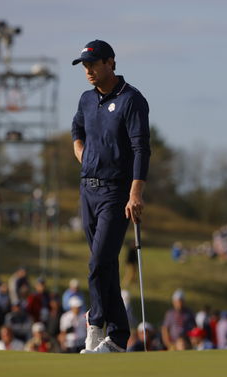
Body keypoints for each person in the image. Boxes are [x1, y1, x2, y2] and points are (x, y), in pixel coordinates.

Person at [71, 39, 151, 353]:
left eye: (93, 64)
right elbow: (77, 131)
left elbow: (141, 149)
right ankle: (118, 338)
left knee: (98, 262)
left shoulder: (132, 100)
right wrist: (84, 155)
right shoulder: (86, 100)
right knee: (106, 266)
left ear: (110, 63)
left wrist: (136, 193)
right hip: (87, 189)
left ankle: (95, 324)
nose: (88, 70)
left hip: (116, 191)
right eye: (85, 66)